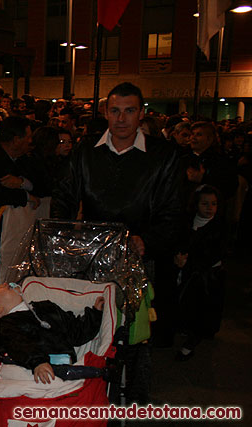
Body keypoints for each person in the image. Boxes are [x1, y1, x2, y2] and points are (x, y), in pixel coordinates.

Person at [51, 82, 183, 403]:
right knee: (91, 324)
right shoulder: (85, 151)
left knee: (134, 334)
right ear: (105, 112)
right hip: (92, 254)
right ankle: (89, 390)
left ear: (141, 114)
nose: (121, 118)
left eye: (129, 111)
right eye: (115, 111)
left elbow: (173, 211)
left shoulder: (164, 155)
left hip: (140, 255)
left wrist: (146, 241)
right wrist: (65, 237)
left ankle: (132, 398)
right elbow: (64, 199)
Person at [0, 282, 106, 384]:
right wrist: (38, 362)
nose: (5, 284)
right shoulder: (9, 324)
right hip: (44, 368)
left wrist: (94, 314)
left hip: (66, 365)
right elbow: (20, 344)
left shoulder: (46, 307)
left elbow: (75, 332)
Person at [174, 185, 227, 361]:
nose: (209, 207)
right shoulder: (188, 221)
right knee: (188, 305)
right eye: (205, 203)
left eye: (213, 203)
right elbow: (181, 241)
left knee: (202, 309)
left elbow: (216, 252)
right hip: (190, 273)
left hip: (208, 276)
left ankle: (192, 342)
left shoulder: (219, 227)